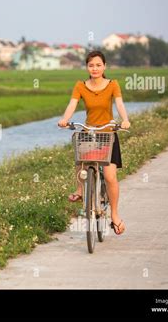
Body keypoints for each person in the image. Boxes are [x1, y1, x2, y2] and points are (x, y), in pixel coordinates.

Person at [57, 50, 130, 235]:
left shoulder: (112, 84)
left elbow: (120, 104)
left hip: (108, 133)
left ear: (104, 66)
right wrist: (65, 119)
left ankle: (114, 214)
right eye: (91, 65)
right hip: (90, 131)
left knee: (110, 176)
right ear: (87, 67)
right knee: (80, 158)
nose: (95, 68)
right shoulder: (80, 86)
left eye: (98, 65)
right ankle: (80, 189)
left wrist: (125, 119)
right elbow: (72, 104)